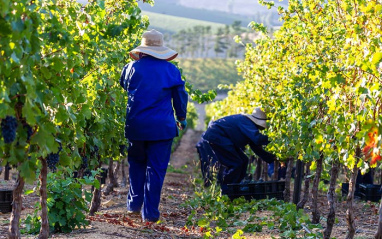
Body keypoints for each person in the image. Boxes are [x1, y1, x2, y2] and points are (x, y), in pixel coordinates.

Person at [119, 29, 188, 222]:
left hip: (136, 126)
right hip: (162, 128)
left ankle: (133, 205)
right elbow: (180, 97)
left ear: (142, 49)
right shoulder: (171, 70)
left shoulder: (130, 67)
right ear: (161, 50)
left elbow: (124, 86)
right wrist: (181, 118)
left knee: (136, 165)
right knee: (156, 170)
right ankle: (149, 214)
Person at [202, 107, 276, 191]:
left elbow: (256, 147)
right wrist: (273, 139)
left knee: (244, 160)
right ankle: (227, 190)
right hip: (217, 136)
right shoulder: (247, 123)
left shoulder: (250, 126)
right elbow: (257, 139)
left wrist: (271, 158)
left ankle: (235, 187)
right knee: (235, 163)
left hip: (220, 136)